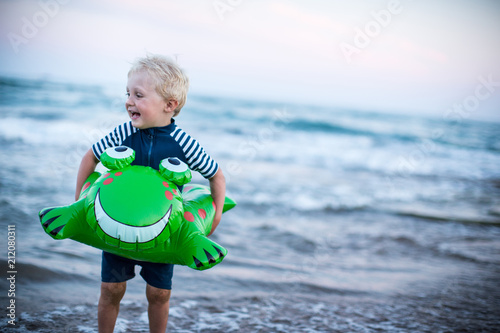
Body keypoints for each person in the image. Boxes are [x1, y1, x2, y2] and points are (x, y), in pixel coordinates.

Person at [74, 54, 226, 333]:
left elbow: (215, 175)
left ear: (170, 105)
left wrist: (215, 215)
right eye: (128, 93)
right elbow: (90, 157)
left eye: (139, 95)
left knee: (159, 294)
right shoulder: (123, 133)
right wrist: (79, 199)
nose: (129, 101)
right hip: (117, 228)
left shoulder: (184, 144)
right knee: (111, 289)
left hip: (163, 233)